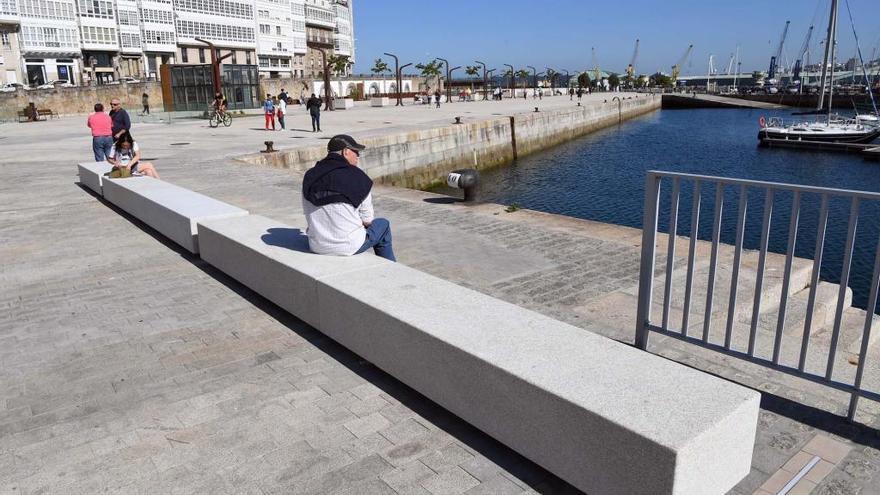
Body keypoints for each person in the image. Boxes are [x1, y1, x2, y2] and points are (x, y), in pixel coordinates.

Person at [302, 134, 395, 262]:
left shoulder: (310, 175)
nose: (358, 156)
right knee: (383, 225)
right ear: (345, 152)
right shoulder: (358, 177)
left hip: (317, 245)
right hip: (348, 246)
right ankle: (390, 268)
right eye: (356, 152)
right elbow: (368, 220)